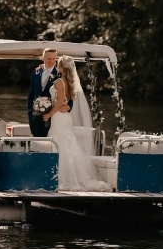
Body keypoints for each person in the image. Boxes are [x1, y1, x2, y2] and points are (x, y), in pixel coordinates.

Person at [42, 56, 111, 191]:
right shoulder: (68, 82)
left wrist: (48, 114)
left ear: (61, 67)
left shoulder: (59, 82)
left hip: (59, 117)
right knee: (66, 143)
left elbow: (59, 102)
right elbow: (65, 101)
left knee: (60, 144)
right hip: (64, 116)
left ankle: (61, 179)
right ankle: (65, 176)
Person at [27, 48, 67, 137]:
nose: (51, 61)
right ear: (43, 58)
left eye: (54, 59)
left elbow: (69, 92)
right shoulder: (36, 72)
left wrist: (70, 106)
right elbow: (31, 93)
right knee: (37, 142)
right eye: (49, 58)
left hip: (53, 116)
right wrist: (30, 112)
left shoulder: (60, 74)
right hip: (35, 116)